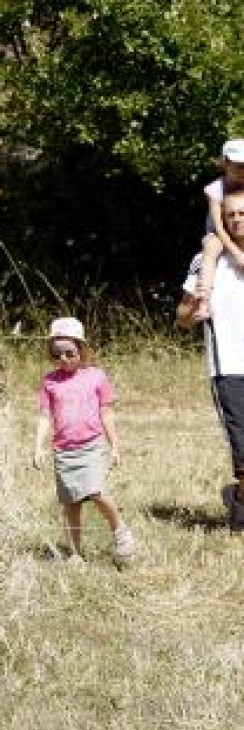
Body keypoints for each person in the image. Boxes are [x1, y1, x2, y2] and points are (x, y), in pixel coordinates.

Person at [32, 317, 135, 560]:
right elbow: (45, 417)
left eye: (69, 353)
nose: (64, 359)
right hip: (64, 452)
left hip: (91, 447)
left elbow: (106, 413)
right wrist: (37, 447)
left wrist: (115, 446)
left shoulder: (96, 376)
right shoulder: (49, 383)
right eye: (57, 355)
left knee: (96, 492)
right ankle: (75, 555)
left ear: (82, 350)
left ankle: (121, 532)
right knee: (71, 505)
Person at [177, 189, 244, 531]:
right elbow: (182, 317)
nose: (236, 220)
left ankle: (238, 500)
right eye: (230, 215)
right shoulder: (207, 261)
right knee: (243, 449)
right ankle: (240, 499)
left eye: (243, 213)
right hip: (229, 366)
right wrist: (194, 307)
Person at [193, 139, 244, 320]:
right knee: (211, 248)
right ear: (226, 163)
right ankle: (203, 300)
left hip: (241, 231)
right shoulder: (215, 190)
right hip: (219, 233)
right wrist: (236, 253)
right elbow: (220, 227)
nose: (241, 170)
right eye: (237, 165)